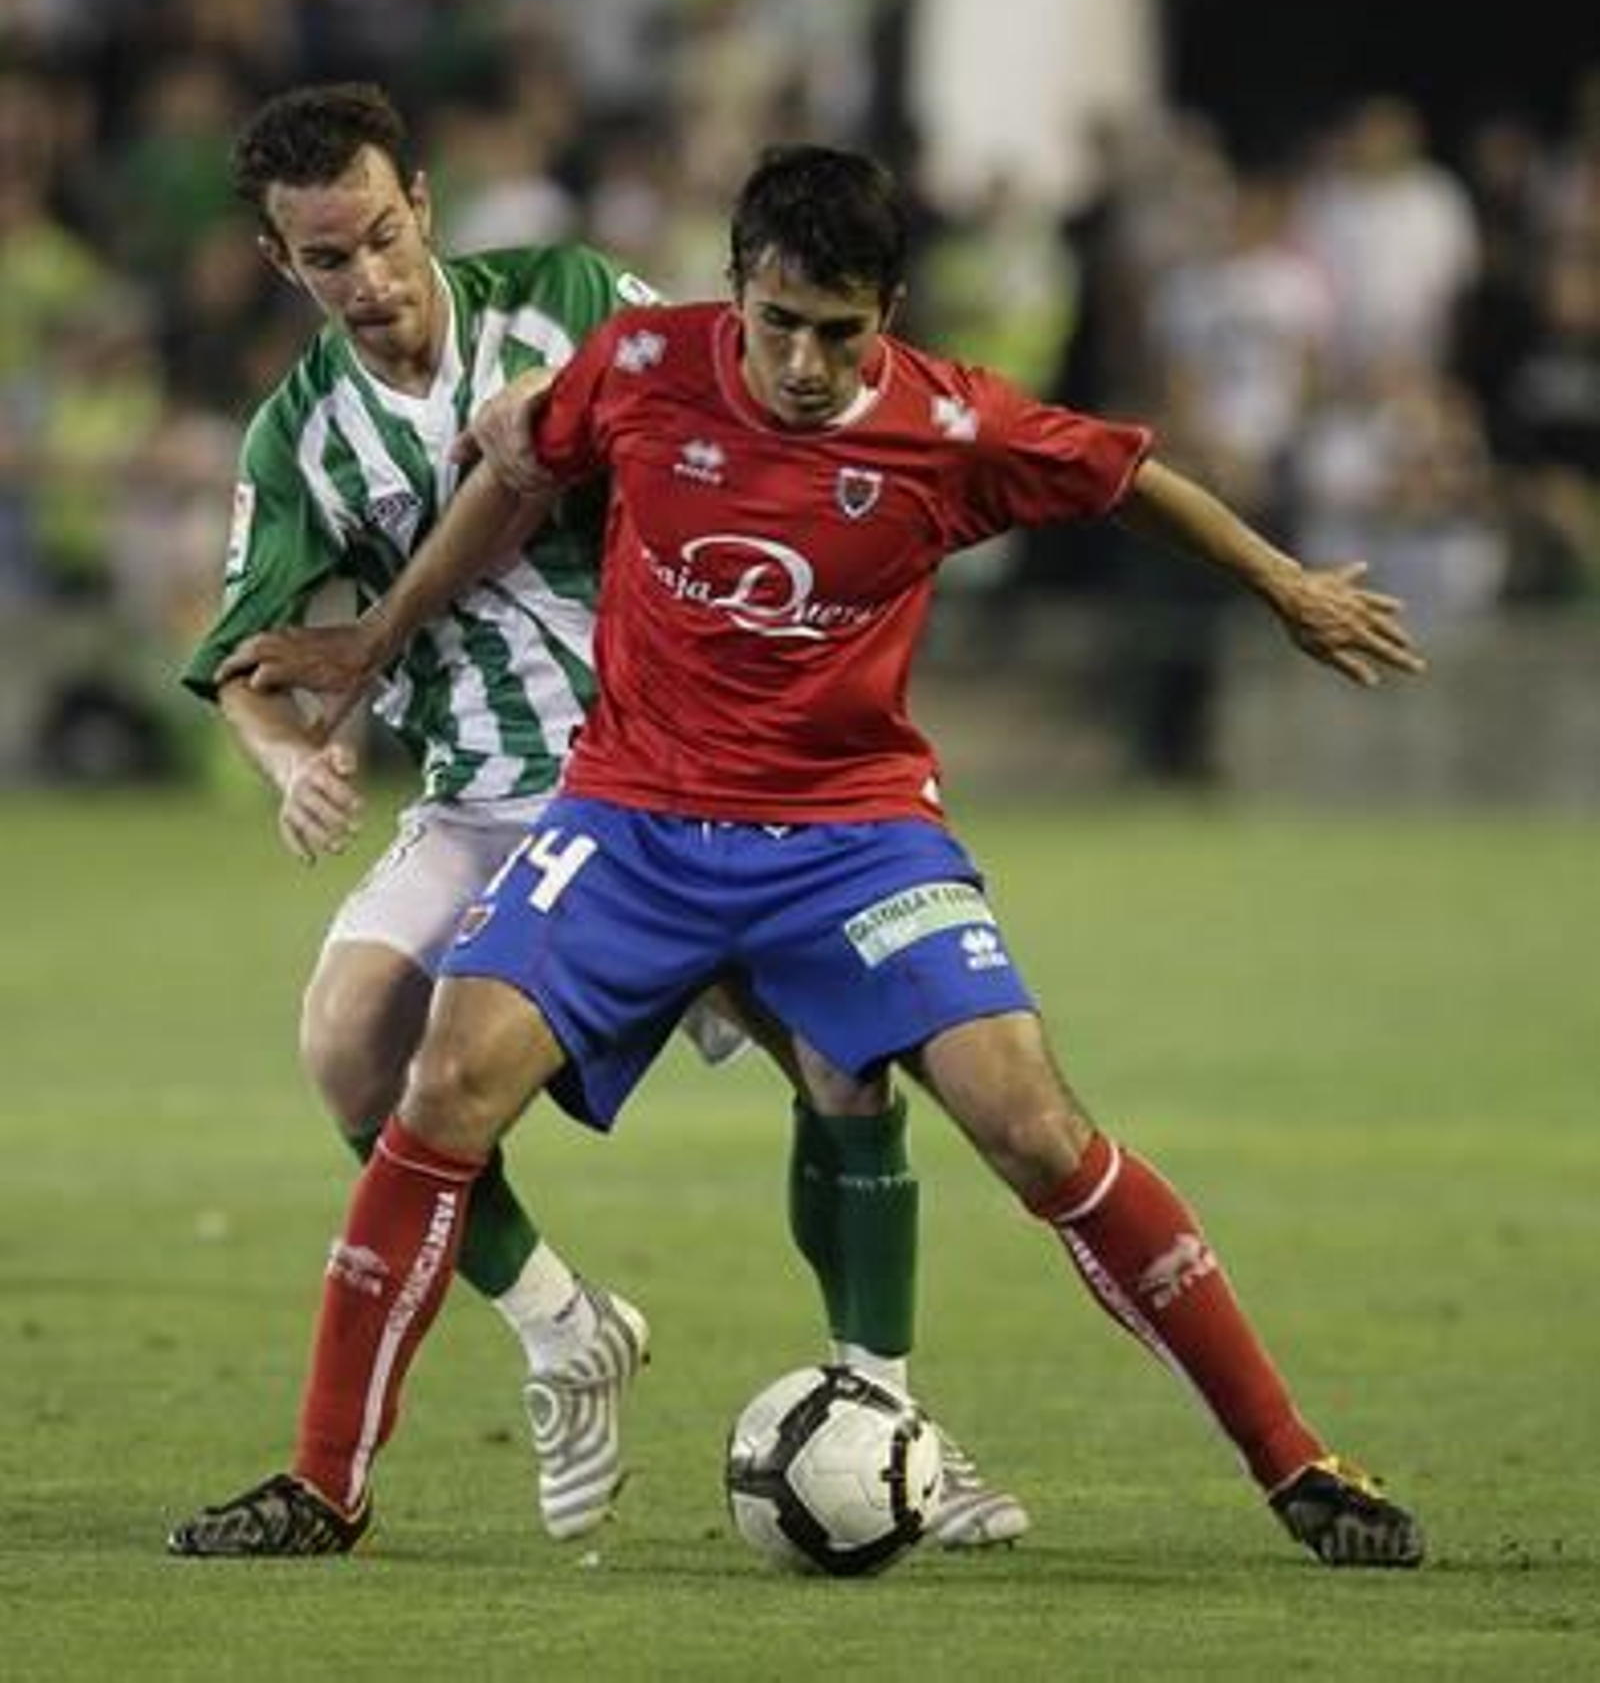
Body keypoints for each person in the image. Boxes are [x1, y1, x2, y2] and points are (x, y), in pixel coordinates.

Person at [175, 143, 1429, 1568]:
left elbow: (1130, 477)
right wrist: (378, 635)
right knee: (442, 1079)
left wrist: (1284, 586)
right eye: (780, 324)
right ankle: (324, 1482)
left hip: (852, 835)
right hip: (628, 819)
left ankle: (1296, 1465)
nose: (807, 363)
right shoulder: (643, 361)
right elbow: (515, 477)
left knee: (1031, 1126)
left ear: (887, 307)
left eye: (842, 331)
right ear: (737, 293)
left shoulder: (955, 424)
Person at [176, 88, 1023, 1552]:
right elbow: (243, 664)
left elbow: (717, 400)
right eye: (327, 261)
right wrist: (285, 760)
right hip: (479, 791)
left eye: (382, 237)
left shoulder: (570, 299)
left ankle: (890, 1422)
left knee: (844, 1063)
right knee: (347, 1041)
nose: (368, 282)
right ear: (278, 261)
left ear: (424, 202)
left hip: (666, 775)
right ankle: (564, 1327)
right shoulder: (295, 437)